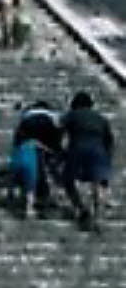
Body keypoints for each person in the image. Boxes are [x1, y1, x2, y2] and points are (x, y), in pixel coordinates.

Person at [59, 89, 115, 227]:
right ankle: (97, 217)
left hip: (78, 148)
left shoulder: (72, 115)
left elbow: (59, 128)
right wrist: (107, 157)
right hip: (98, 150)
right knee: (97, 183)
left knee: (68, 180)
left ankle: (82, 208)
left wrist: (61, 152)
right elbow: (110, 140)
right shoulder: (101, 118)